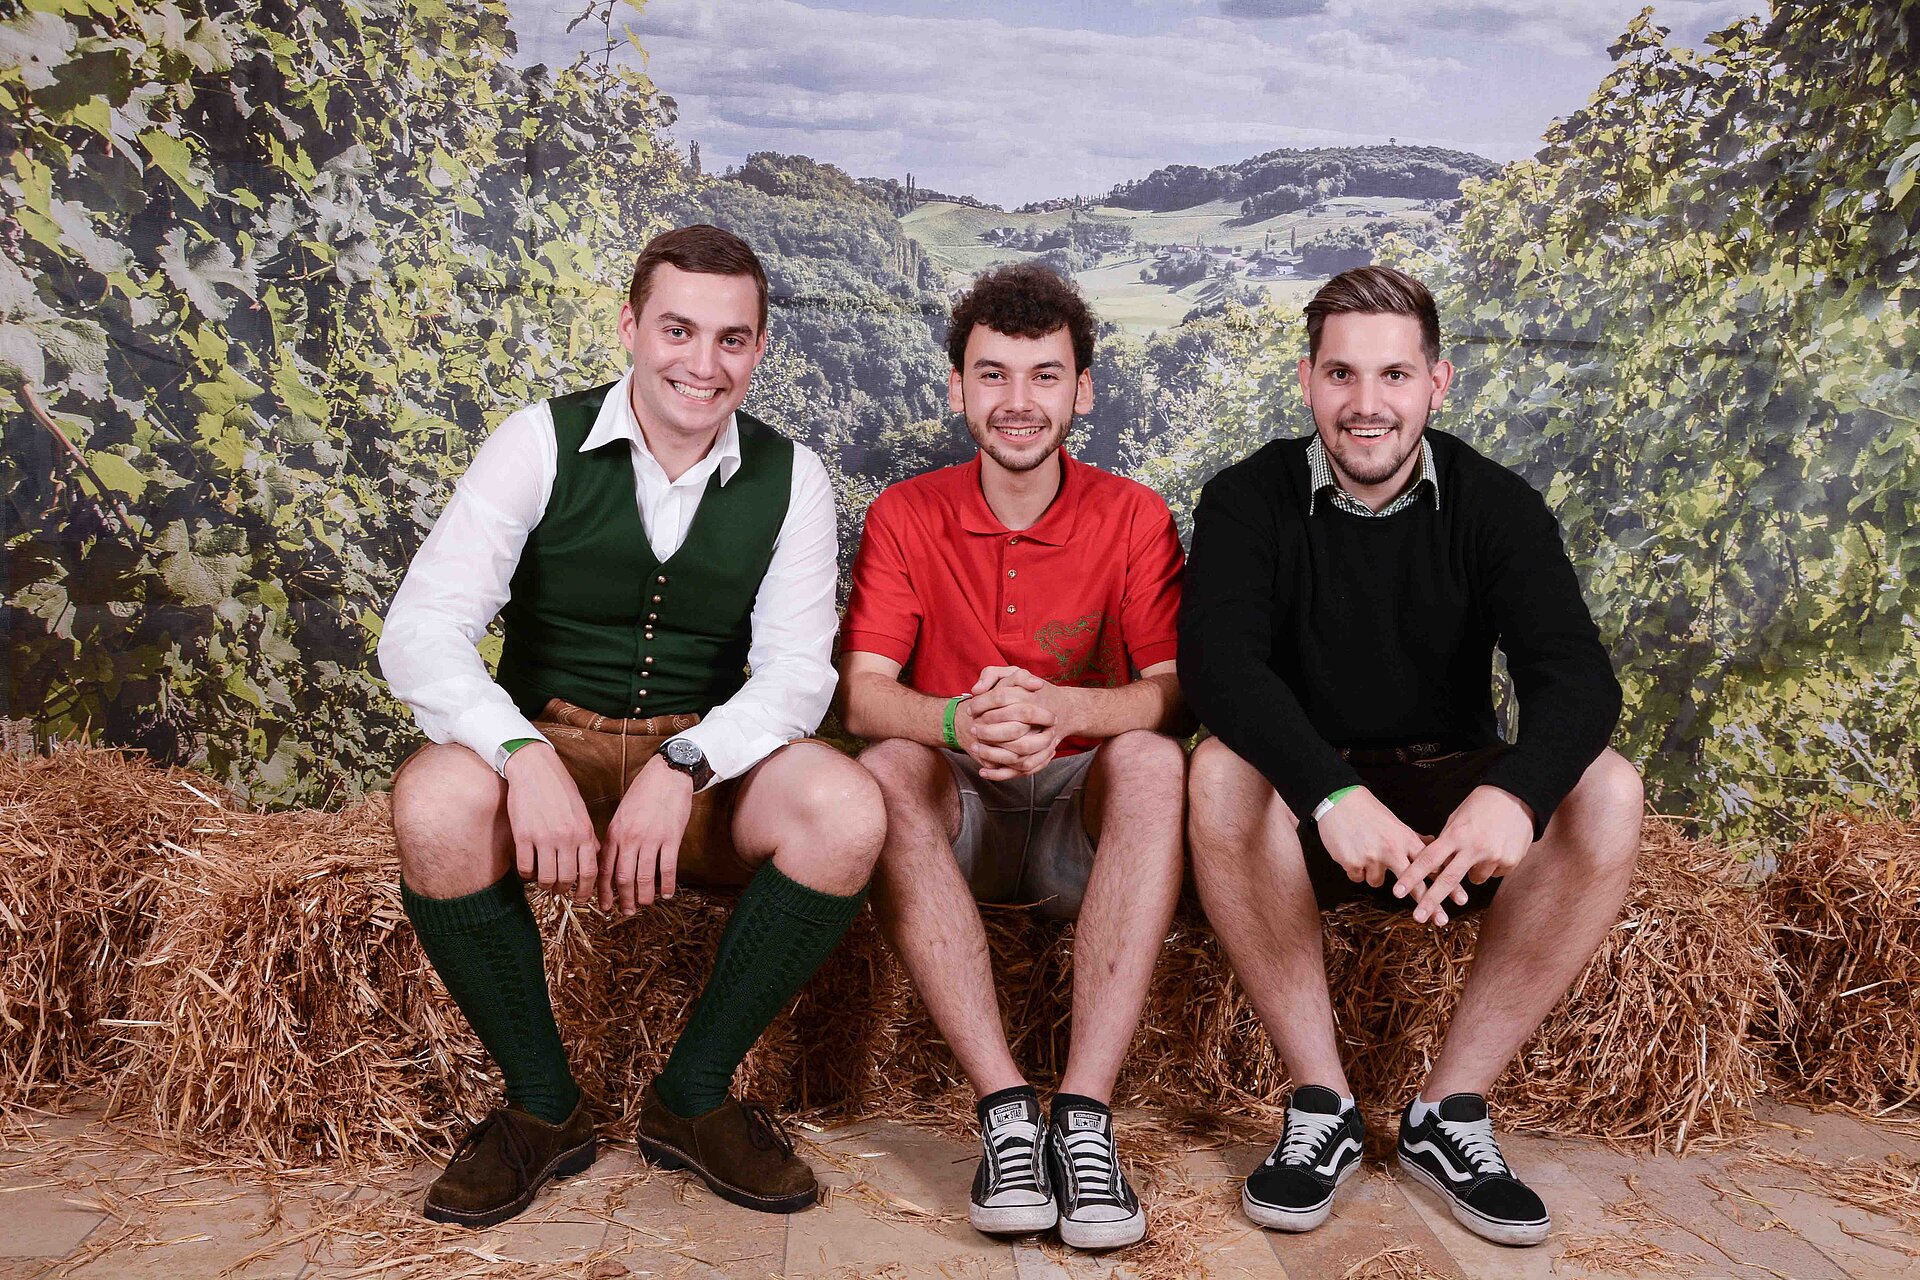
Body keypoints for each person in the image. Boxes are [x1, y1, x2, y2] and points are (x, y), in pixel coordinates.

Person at [378, 224, 884, 1227]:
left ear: (760, 347)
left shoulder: (794, 476)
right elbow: (420, 631)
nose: (704, 363)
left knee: (848, 808)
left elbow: (795, 675)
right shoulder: (537, 440)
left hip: (700, 760)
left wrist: (685, 762)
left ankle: (692, 1097)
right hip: (547, 739)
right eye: (678, 330)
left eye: (732, 339)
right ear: (630, 327)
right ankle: (541, 1105)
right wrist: (520, 753)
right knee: (433, 802)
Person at [1180, 266, 1643, 1247]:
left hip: (1447, 809)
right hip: (1305, 811)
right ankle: (1323, 1106)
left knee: (1607, 787)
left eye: (1393, 375)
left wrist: (1515, 795)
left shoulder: (1496, 504)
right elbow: (1219, 669)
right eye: (1341, 374)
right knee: (1218, 766)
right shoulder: (1247, 498)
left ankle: (1449, 1111)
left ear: (1437, 382)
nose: (1367, 403)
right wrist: (1330, 792)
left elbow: (1578, 677)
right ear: (1307, 381)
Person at [837, 264, 1189, 1251]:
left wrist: (1062, 706)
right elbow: (860, 693)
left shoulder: (1135, 515)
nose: (1018, 401)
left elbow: (1174, 693)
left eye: (1045, 376)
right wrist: (957, 722)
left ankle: (1083, 1117)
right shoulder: (906, 512)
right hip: (960, 814)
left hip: (1079, 813)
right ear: (957, 388)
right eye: (993, 375)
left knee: (1156, 762)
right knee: (884, 766)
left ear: (1084, 391)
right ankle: (1005, 1113)